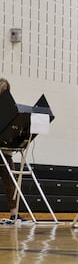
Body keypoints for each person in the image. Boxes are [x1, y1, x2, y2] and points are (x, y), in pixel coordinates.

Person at [0, 78, 27, 222]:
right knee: (10, 184)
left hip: (5, 152)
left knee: (11, 184)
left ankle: (14, 214)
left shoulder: (10, 108)